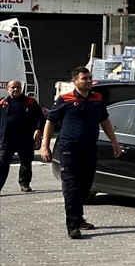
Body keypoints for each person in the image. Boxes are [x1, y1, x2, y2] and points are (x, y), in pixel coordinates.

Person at [40, 67, 122, 239]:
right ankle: (73, 224)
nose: (88, 81)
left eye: (90, 78)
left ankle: (78, 217)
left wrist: (114, 142)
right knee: (72, 187)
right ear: (74, 81)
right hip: (70, 149)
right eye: (84, 78)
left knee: (86, 185)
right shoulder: (65, 99)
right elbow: (50, 122)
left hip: (89, 149)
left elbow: (105, 120)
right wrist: (45, 145)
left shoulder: (97, 98)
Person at [0, 79, 44, 193]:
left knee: (26, 162)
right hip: (6, 139)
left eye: (18, 87)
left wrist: (39, 129)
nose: (16, 89)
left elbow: (40, 117)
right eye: (13, 87)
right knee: (2, 163)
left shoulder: (30, 102)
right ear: (8, 89)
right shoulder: (2, 103)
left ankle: (24, 183)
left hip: (24, 138)